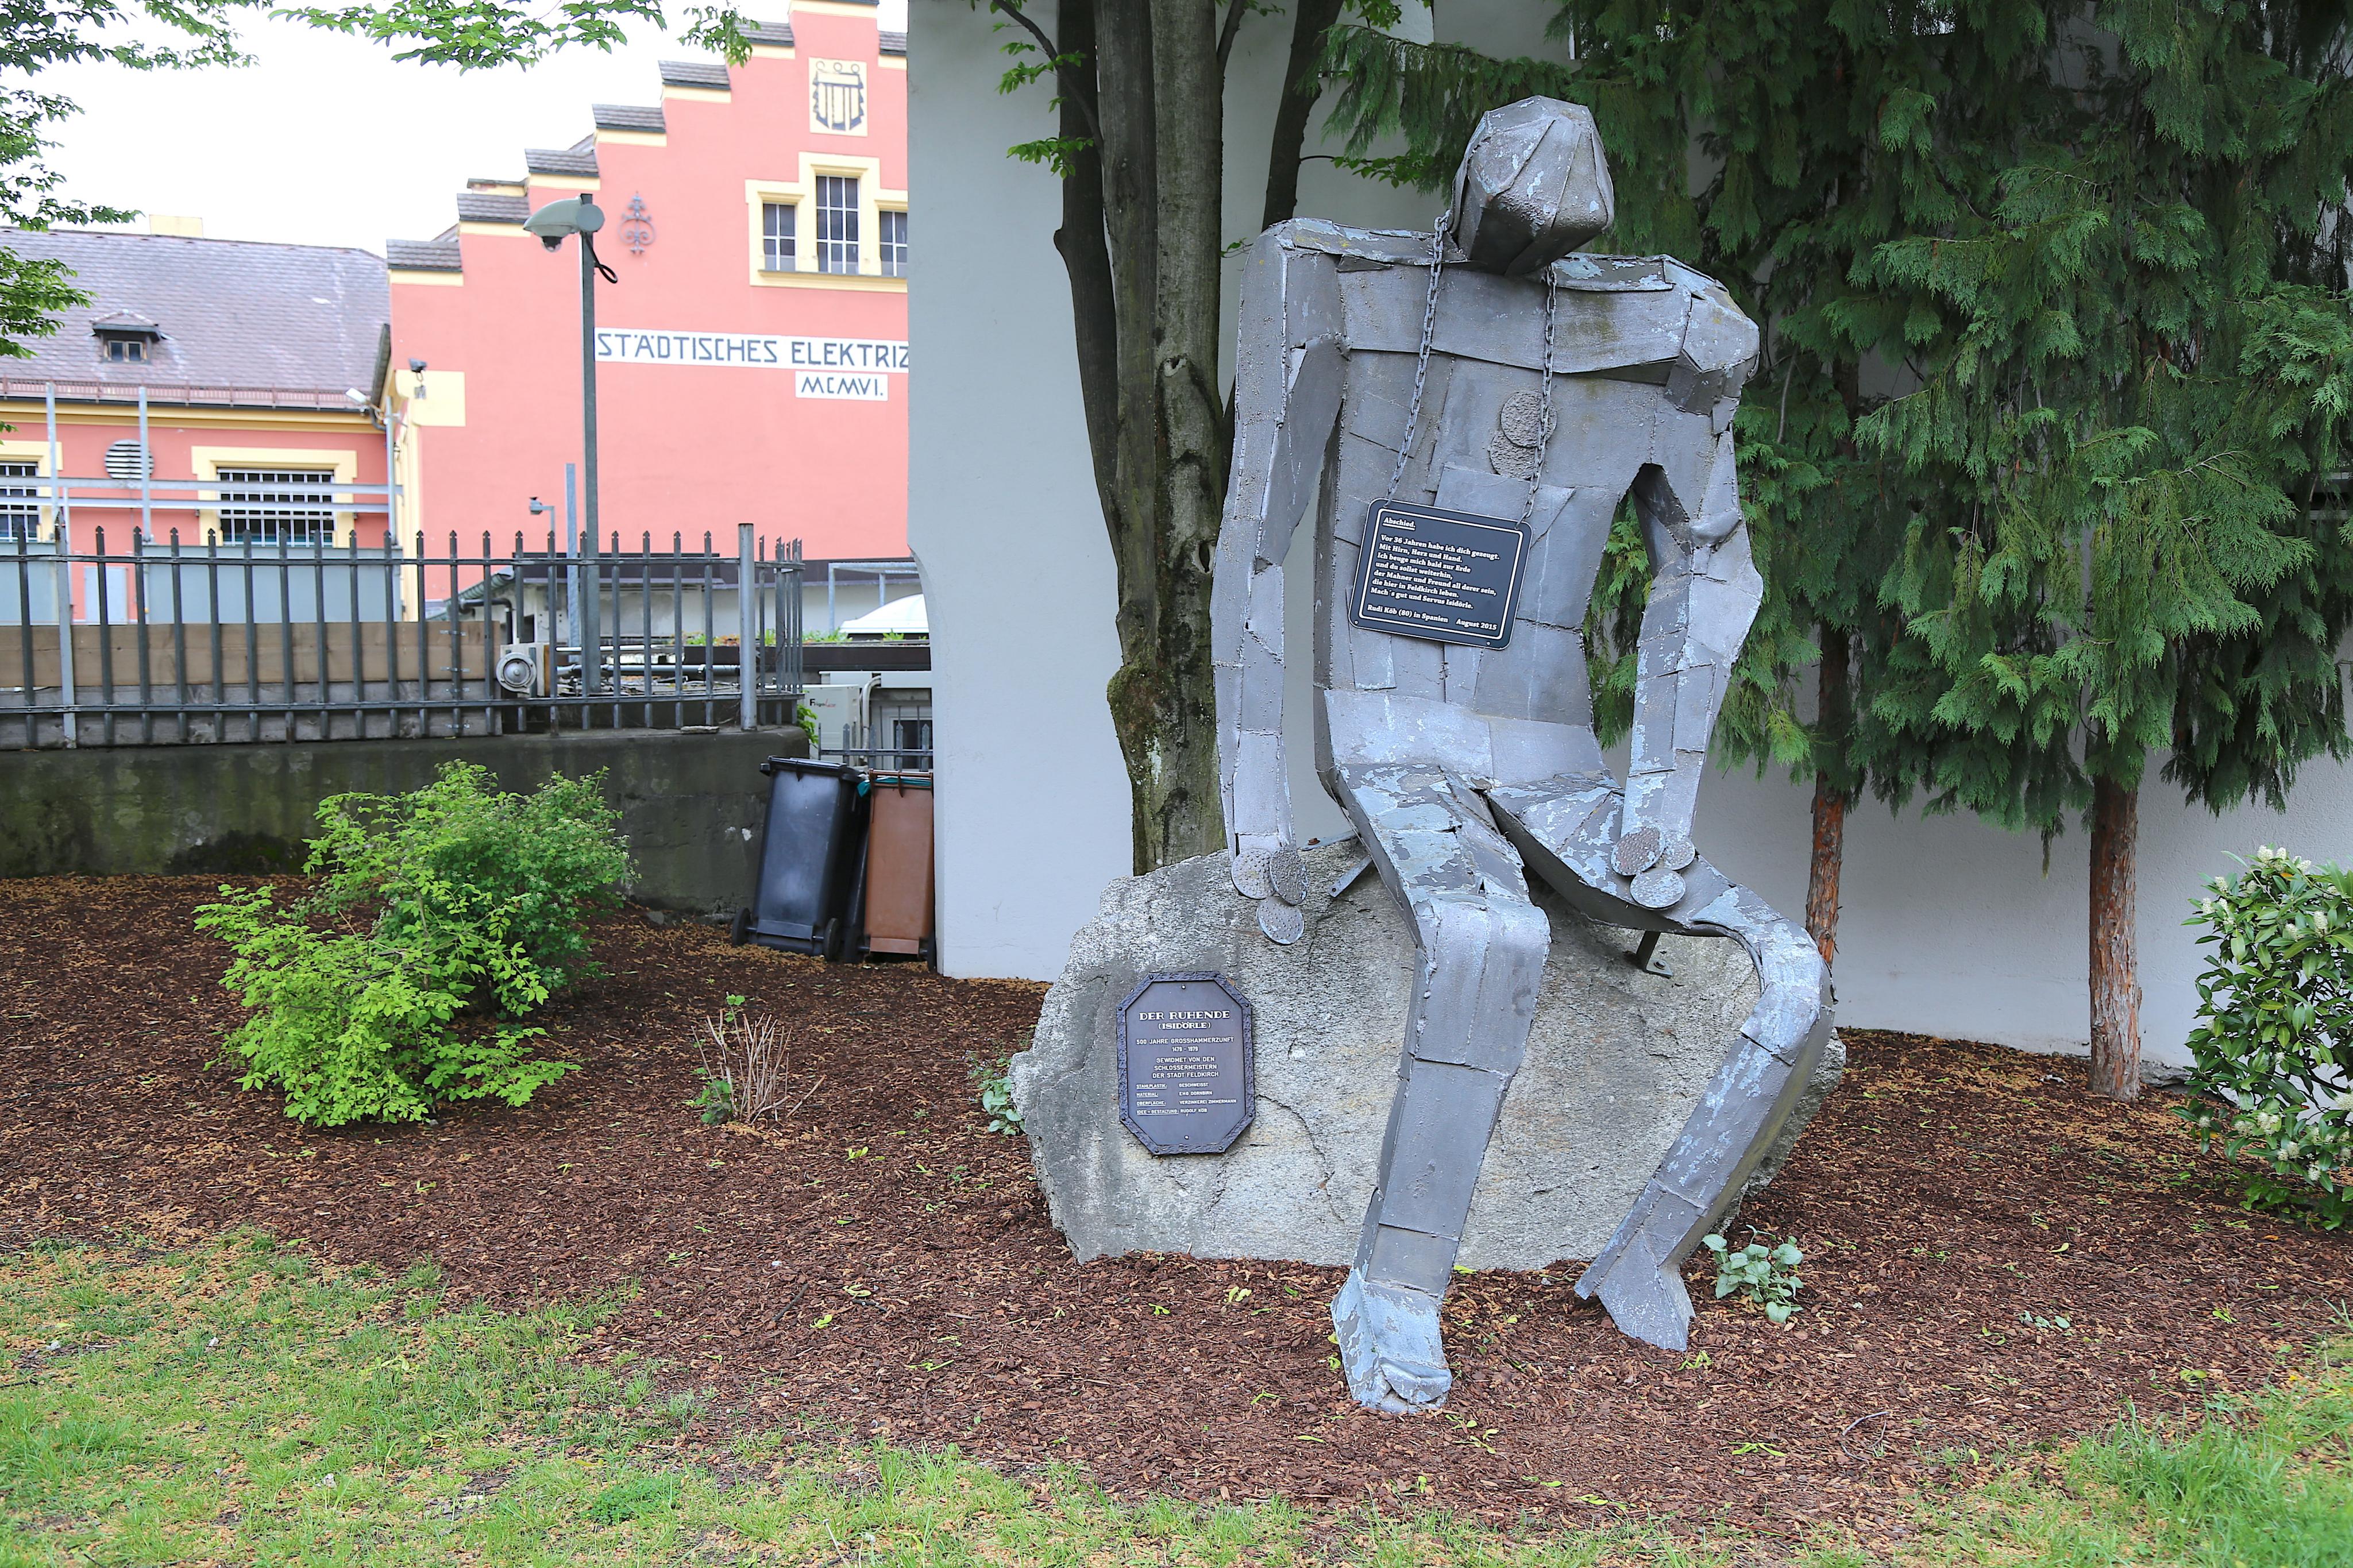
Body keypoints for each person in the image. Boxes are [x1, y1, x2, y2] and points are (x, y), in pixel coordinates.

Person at [1211, 97, 1832, 1413]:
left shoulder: (1661, 333)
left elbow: (1709, 567)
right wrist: (1254, 808)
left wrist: (1661, 793)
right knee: (1487, 933)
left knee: (1789, 972)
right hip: (1389, 731)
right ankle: (1390, 1290)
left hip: (1554, 757)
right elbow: (1255, 541)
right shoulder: (1336, 286)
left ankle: (1636, 1259)